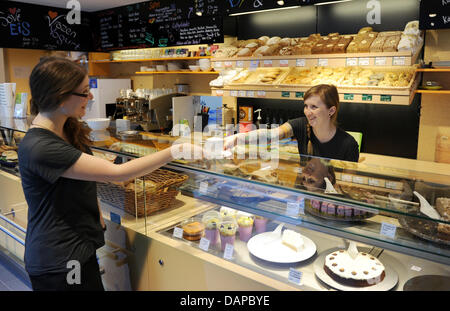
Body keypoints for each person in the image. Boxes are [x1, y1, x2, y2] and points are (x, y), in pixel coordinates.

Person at [18, 57, 202, 291]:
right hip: (59, 261)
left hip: (77, 249)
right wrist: (177, 150)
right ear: (59, 96)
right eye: (84, 92)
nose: (91, 97)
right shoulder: (41, 146)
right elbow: (117, 174)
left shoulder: (65, 129)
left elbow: (87, 175)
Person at [224, 84, 359, 162]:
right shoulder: (301, 124)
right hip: (305, 196)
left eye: (314, 107)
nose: (307, 112)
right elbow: (271, 135)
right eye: (306, 106)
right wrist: (238, 138)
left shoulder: (349, 144)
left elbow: (348, 184)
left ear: (331, 110)